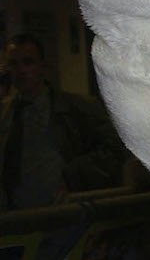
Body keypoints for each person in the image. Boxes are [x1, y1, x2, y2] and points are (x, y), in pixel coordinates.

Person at [0, 33, 126, 209]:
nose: (21, 71)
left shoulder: (77, 108)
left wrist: (75, 177)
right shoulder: (6, 113)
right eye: (13, 64)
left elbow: (115, 148)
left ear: (42, 66)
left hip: (63, 211)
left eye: (28, 62)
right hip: (14, 213)